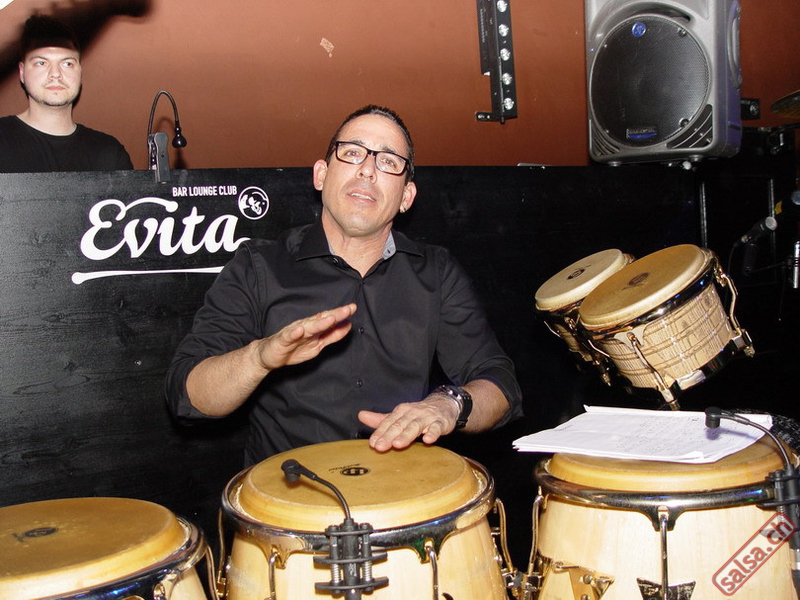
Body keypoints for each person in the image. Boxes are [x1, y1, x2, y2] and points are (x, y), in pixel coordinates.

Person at [166, 105, 523, 465]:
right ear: (321, 175)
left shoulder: (437, 272)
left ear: (406, 197)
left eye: (388, 161)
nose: (368, 169)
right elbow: (188, 395)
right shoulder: (258, 266)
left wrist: (448, 404)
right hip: (288, 492)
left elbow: (501, 386)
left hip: (400, 489)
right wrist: (259, 358)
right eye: (352, 153)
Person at [0, 15, 133, 173]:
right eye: (41, 63)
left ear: (80, 72)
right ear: (22, 73)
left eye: (67, 63)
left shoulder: (109, 153)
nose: (55, 74)